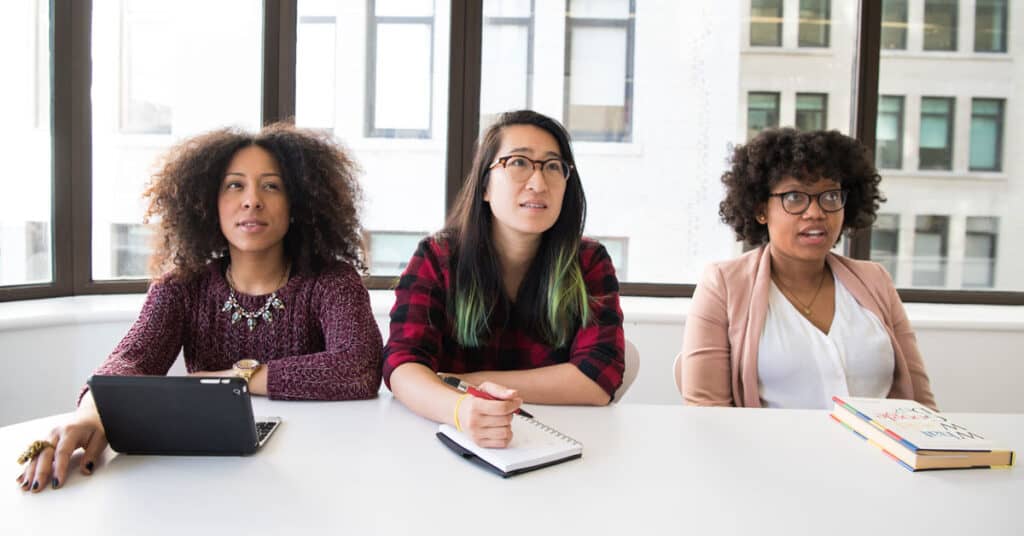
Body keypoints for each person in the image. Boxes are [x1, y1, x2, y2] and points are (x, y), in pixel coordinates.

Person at [16, 122, 383, 493]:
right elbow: (131, 360)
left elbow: (359, 366)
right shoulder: (181, 287)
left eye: (271, 186)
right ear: (209, 203)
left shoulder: (333, 281)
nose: (252, 200)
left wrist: (233, 380)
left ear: (298, 204)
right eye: (234, 185)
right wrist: (89, 417)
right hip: (207, 474)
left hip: (315, 470)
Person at [383, 110, 624, 448]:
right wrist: (462, 410)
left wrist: (472, 383)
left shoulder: (587, 261)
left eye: (553, 166)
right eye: (518, 163)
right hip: (446, 441)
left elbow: (598, 379)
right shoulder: (437, 257)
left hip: (554, 445)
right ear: (484, 184)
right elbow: (403, 366)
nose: (538, 183)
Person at [679, 128, 936, 410]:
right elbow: (707, 413)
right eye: (794, 197)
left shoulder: (875, 280)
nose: (816, 212)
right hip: (768, 453)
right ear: (760, 209)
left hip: (875, 453)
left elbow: (922, 406)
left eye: (830, 196)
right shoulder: (723, 285)